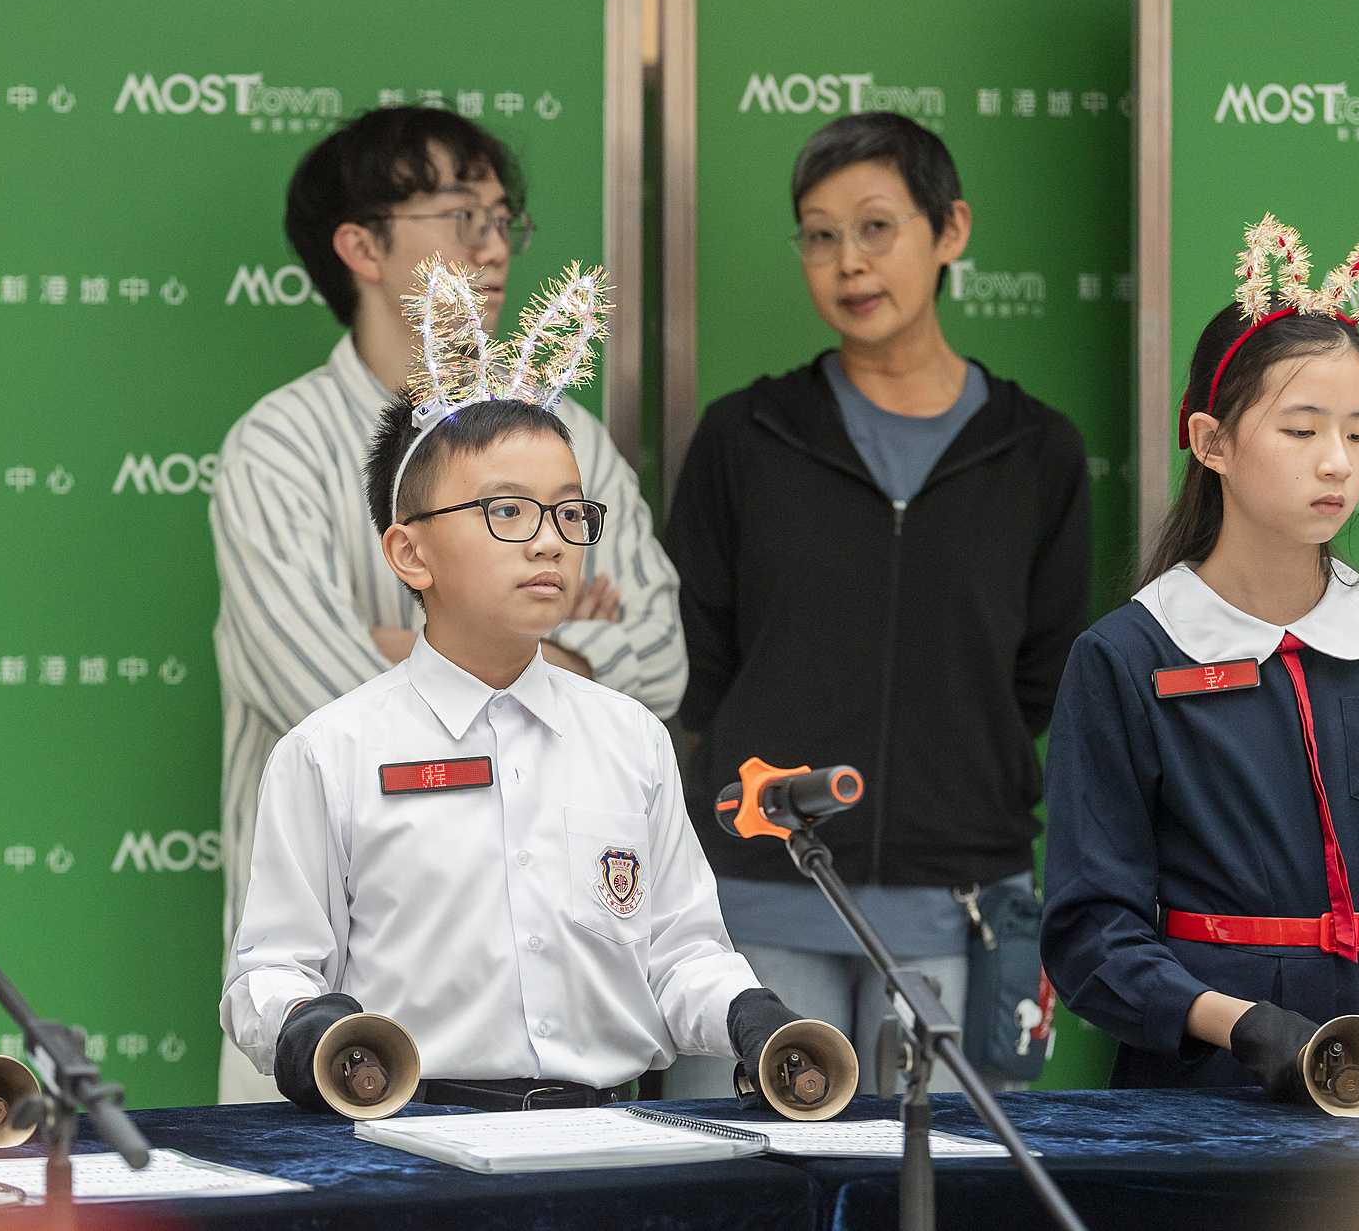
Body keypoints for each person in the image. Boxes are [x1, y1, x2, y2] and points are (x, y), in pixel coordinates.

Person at [223, 285, 833, 1107]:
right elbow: (268, 971)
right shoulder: (333, 751)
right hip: (409, 1137)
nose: (549, 540)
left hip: (606, 1142)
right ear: (408, 552)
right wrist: (303, 1018)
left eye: (569, 512)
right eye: (507, 511)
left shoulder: (629, 737)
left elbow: (680, 952)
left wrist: (743, 1010)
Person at [210, 106, 686, 1101]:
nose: (494, 244)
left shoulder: (567, 438)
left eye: (504, 217)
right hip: (327, 1027)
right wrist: (545, 650)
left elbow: (661, 657)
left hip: (563, 1052)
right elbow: (323, 693)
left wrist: (423, 644)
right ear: (361, 247)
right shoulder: (277, 444)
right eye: (461, 215)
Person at [662, 112, 1092, 1096]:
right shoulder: (744, 436)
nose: (847, 262)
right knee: (732, 1171)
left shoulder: (1037, 451)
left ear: (949, 230)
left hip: (954, 909)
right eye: (819, 236)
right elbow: (697, 663)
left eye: (874, 227)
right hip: (756, 901)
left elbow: (1043, 676)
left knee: (940, 1175)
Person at [1043, 214, 1359, 1093]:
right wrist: (1235, 1024)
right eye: (1300, 430)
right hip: (1202, 1089)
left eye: (1357, 434)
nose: (1336, 463)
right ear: (1211, 443)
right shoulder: (1125, 656)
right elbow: (1089, 935)